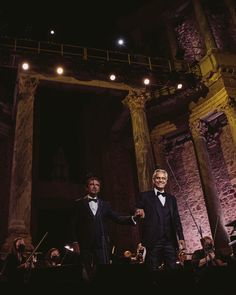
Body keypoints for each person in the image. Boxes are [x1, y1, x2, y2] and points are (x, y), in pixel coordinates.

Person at [71, 176, 140, 280]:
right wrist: (75, 242)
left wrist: (132, 218)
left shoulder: (105, 205)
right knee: (86, 274)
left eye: (97, 185)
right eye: (92, 184)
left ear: (99, 188)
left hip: (101, 244)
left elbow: (117, 217)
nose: (94, 187)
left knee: (102, 273)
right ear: (86, 188)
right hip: (85, 244)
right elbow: (72, 225)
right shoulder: (79, 203)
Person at [135, 168, 185, 271]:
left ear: (166, 181)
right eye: (158, 178)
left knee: (172, 271)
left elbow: (176, 219)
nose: (160, 180)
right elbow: (134, 208)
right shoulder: (145, 196)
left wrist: (181, 237)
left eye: (163, 178)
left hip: (169, 241)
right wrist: (138, 210)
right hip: (153, 241)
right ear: (153, 180)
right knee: (152, 271)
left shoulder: (172, 199)